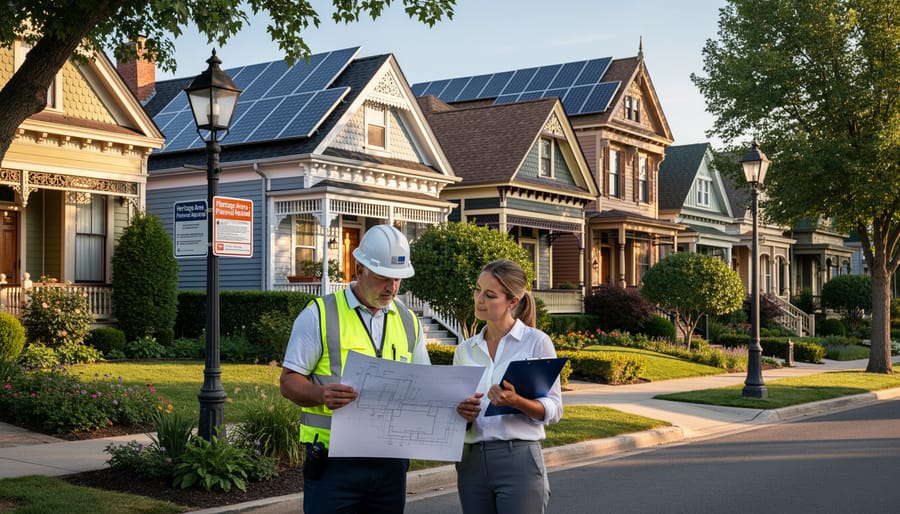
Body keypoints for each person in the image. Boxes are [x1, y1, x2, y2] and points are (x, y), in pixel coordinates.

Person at [279, 224, 430, 514]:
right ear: (359, 269)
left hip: (389, 462)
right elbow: (288, 382)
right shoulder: (319, 314)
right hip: (333, 462)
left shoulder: (409, 321)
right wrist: (321, 394)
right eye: (383, 278)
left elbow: (424, 385)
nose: (392, 287)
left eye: (398, 278)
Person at [453, 259, 563, 514]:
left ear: (512, 301)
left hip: (519, 460)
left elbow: (555, 409)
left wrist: (517, 402)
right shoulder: (464, 350)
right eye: (478, 290)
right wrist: (462, 413)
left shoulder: (536, 342)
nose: (479, 299)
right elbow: (456, 414)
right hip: (471, 462)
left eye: (490, 295)